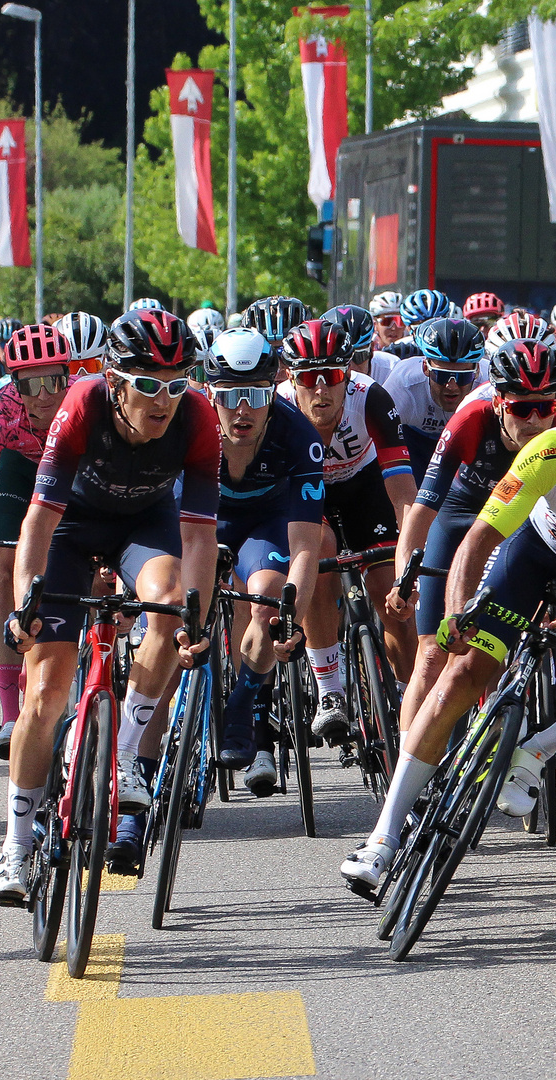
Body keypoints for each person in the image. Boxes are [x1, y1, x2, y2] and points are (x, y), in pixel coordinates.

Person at [341, 382, 556, 888]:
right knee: (461, 674)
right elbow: (480, 538)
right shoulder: (549, 451)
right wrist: (458, 615)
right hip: (534, 555)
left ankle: (538, 751)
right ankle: (383, 837)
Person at [0, 309, 220, 904]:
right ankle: (15, 844)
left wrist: (197, 619)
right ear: (115, 381)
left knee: (170, 607)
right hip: (71, 528)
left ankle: (125, 755)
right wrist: (24, 606)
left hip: (144, 525)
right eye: (148, 382)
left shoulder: (197, 419)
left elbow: (196, 539)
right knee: (45, 689)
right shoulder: (83, 406)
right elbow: (38, 521)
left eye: (175, 381)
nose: (164, 398)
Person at [385, 339, 556, 743]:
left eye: (546, 407)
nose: (536, 420)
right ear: (500, 401)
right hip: (461, 511)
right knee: (432, 655)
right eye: (522, 408)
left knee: (490, 653)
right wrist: (404, 577)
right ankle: (407, 775)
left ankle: (483, 737)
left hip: (521, 521)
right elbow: (421, 512)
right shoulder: (469, 419)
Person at [195, 328, 324, 808]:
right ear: (210, 393)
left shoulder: (299, 435)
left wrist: (292, 620)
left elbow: (306, 548)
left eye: (255, 395)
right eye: (229, 397)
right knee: (176, 600)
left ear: (276, 389)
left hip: (266, 522)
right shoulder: (191, 425)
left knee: (268, 597)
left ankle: (244, 702)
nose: (242, 410)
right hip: (202, 517)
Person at [278, 319, 418, 741]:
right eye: (308, 378)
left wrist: (410, 573)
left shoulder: (371, 397)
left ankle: (410, 693)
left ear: (349, 373)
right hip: (307, 492)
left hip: (365, 487)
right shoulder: (279, 408)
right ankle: (329, 691)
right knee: (319, 552)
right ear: (291, 378)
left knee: (389, 591)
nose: (321, 390)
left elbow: (405, 498)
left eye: (332, 377)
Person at [0, 323, 79, 758]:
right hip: (20, 469)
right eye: (30, 383)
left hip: (69, 465)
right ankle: (11, 714)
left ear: (70, 374)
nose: (44, 394)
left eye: (54, 380)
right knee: (4, 569)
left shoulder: (87, 402)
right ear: (14, 383)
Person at [384, 316, 486, 480]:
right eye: (442, 375)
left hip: (468, 443)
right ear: (425, 367)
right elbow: (376, 441)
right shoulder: (404, 383)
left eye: (463, 377)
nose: (451, 386)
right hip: (414, 442)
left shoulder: (489, 384)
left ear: (477, 371)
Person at [322, 304, 398, 385]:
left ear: (371, 351)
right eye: (339, 360)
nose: (351, 368)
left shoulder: (391, 369)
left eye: (358, 356)